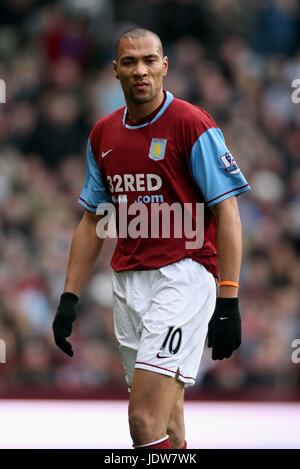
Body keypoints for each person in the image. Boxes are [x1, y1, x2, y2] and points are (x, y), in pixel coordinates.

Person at [52, 28, 251, 449]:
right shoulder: (103, 134)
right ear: (115, 70)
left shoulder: (192, 124)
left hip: (182, 277)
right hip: (128, 281)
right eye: (129, 62)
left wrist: (229, 298)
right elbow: (92, 221)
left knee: (142, 420)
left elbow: (227, 210)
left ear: (165, 66)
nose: (140, 70)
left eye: (149, 60)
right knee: (168, 425)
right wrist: (70, 296)